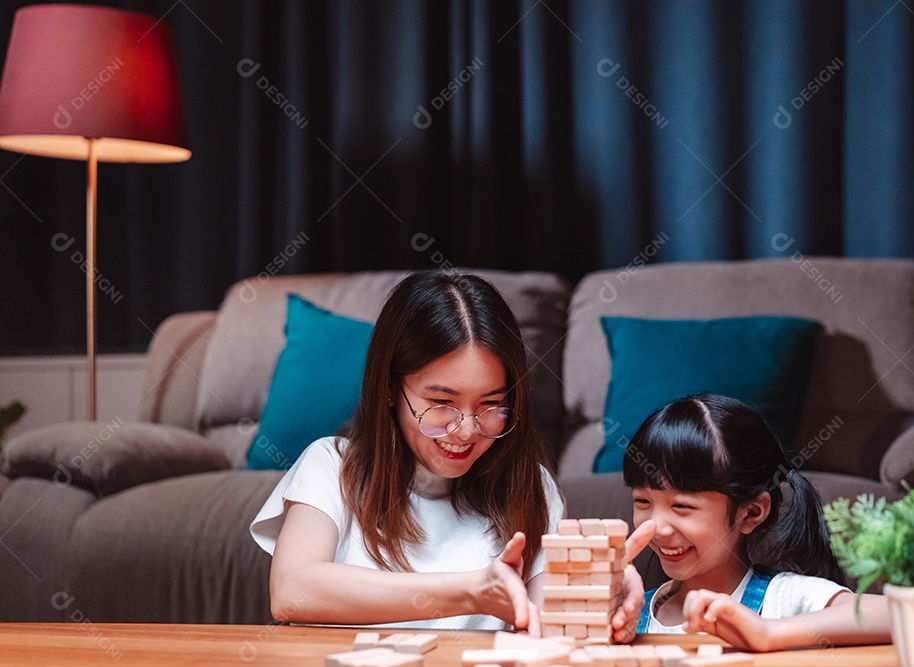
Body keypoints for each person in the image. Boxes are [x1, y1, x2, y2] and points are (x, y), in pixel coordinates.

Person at [250, 270, 647, 638]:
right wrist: (471, 591)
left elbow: (543, 619)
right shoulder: (333, 465)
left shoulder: (533, 486)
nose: (467, 430)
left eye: (491, 404)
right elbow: (292, 591)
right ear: (389, 390)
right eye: (442, 402)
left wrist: (599, 596)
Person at [627, 394, 891, 651]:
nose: (656, 527)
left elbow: (894, 615)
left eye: (681, 506)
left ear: (752, 513)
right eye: (642, 502)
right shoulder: (631, 611)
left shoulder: (782, 599)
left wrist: (768, 632)